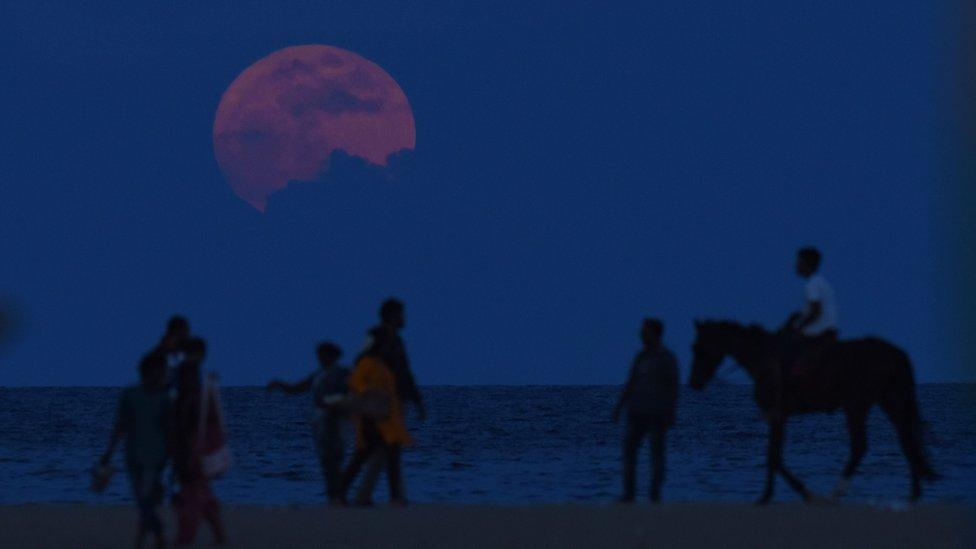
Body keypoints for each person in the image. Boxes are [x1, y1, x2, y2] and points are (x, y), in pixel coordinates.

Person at [353, 298, 424, 504]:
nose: (404, 318)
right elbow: (361, 361)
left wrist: (417, 400)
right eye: (402, 314)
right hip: (382, 401)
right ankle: (392, 496)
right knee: (387, 446)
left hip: (396, 401)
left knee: (385, 448)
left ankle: (369, 495)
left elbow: (405, 372)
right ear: (393, 315)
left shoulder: (398, 341)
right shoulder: (376, 336)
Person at [100, 351, 171, 548]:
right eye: (161, 370)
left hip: (155, 457)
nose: (164, 374)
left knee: (145, 499)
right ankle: (156, 536)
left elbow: (170, 429)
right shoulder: (131, 395)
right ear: (150, 371)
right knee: (143, 499)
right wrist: (109, 452)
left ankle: (147, 538)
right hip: (134, 457)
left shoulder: (164, 397)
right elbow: (120, 425)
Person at [266, 342, 350, 503]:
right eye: (319, 355)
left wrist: (329, 403)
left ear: (332, 356)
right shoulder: (319, 374)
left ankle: (339, 495)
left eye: (323, 355)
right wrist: (279, 384)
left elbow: (348, 393)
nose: (320, 358)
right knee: (326, 460)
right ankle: (334, 495)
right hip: (321, 423)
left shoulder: (342, 374)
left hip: (337, 422)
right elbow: (297, 388)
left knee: (335, 459)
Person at [339, 328, 412, 506]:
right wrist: (373, 395)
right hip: (372, 420)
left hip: (384, 420)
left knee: (376, 456)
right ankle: (340, 493)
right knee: (364, 456)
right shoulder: (367, 364)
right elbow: (356, 385)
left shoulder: (380, 365)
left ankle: (341, 493)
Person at [612, 318, 679, 503]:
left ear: (655, 334)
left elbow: (673, 387)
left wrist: (671, 411)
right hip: (637, 412)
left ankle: (654, 494)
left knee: (656, 454)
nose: (641, 334)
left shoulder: (666, 358)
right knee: (629, 452)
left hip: (657, 414)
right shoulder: (640, 357)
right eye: (642, 331)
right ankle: (629, 494)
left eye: (645, 331)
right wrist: (619, 407)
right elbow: (631, 382)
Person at [172, 337, 226, 546]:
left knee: (192, 491)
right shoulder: (199, 378)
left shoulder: (187, 377)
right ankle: (217, 533)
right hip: (196, 442)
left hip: (189, 443)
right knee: (200, 489)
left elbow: (186, 414)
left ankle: (185, 536)